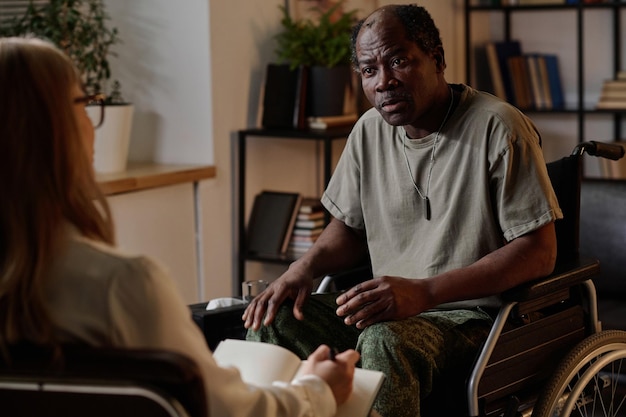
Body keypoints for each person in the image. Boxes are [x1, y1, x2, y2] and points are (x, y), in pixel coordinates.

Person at [0, 36, 360, 417]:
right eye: (83, 103)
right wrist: (316, 388)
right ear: (51, 128)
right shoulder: (122, 286)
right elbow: (228, 411)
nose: (92, 122)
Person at [243, 4, 561, 417]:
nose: (384, 82)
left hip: (474, 320)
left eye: (398, 61)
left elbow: (540, 252)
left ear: (438, 59)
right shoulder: (368, 131)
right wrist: (302, 269)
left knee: (384, 340)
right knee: (272, 320)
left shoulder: (497, 127)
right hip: (388, 311)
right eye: (369, 70)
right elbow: (349, 231)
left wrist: (425, 292)